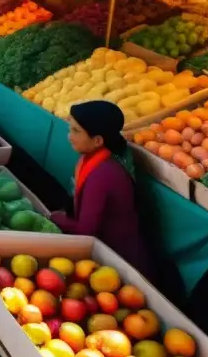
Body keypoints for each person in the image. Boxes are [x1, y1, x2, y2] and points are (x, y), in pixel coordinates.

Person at [51, 101, 156, 278]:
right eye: (71, 129)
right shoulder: (93, 160)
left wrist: (51, 218)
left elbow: (86, 230)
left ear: (98, 140)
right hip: (106, 254)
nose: (69, 136)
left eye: (76, 131)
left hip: (122, 266)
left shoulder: (103, 174)